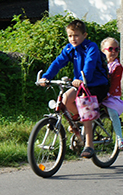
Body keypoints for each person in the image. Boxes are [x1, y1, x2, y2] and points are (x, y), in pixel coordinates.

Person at [39, 19, 109, 158]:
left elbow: (89, 64)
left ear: (84, 35)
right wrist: (46, 77)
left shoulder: (91, 47)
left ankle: (89, 145)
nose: (73, 39)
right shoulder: (69, 49)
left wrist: (83, 78)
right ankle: (79, 122)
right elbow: (58, 62)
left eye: (76, 35)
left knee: (84, 105)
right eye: (70, 36)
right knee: (65, 99)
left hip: (97, 85)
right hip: (81, 84)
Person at [100, 37, 123, 150]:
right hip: (100, 92)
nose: (114, 52)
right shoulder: (99, 64)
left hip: (111, 96)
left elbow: (114, 84)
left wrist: (107, 95)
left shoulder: (117, 66)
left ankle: (120, 139)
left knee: (112, 113)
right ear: (103, 51)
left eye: (117, 49)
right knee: (89, 109)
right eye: (110, 49)